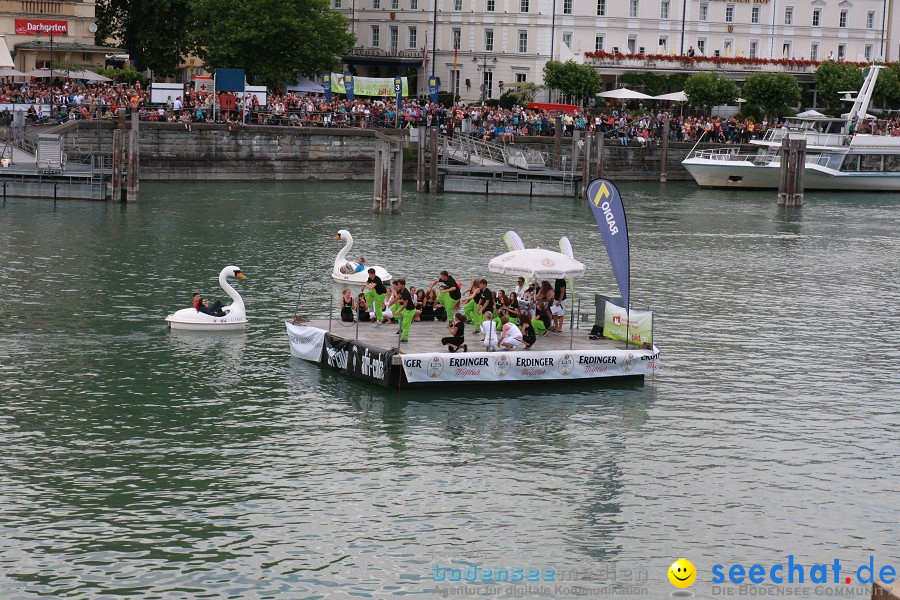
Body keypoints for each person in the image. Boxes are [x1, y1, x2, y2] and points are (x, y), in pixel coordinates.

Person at [393, 278, 414, 343]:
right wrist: (392, 302)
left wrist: (398, 311)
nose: (397, 285)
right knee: (394, 311)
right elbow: (398, 296)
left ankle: (405, 339)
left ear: (403, 285)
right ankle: (408, 320)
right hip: (406, 310)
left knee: (405, 325)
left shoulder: (405, 293)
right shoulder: (401, 290)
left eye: (399, 284)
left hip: (410, 310)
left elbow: (405, 305)